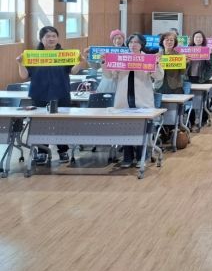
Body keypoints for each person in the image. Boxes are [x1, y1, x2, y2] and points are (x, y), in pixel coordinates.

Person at [16, 26, 88, 164]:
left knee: (62, 123)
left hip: (61, 93)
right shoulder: (32, 55)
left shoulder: (64, 54)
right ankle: (42, 151)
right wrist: (20, 63)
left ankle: (63, 150)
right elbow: (24, 75)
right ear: (41, 39)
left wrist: (80, 62)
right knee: (40, 123)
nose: (51, 39)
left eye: (54, 36)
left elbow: (73, 71)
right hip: (39, 93)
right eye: (47, 36)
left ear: (57, 38)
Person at [103, 33, 164, 167]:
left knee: (141, 128)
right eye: (131, 42)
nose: (133, 45)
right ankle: (127, 157)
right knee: (125, 128)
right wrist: (105, 62)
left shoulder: (147, 58)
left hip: (142, 99)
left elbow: (159, 76)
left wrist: (156, 64)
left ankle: (142, 156)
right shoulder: (121, 58)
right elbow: (109, 75)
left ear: (142, 45)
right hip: (124, 98)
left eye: (136, 42)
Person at [185, 30, 212, 126]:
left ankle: (204, 119)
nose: (198, 39)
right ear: (193, 39)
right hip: (189, 77)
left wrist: (211, 55)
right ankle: (191, 119)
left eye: (200, 37)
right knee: (191, 99)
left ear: (203, 39)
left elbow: (211, 66)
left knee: (203, 99)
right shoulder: (187, 50)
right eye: (196, 37)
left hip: (202, 78)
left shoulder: (207, 50)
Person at [94, 29, 126, 93]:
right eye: (114, 39)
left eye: (119, 38)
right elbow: (96, 66)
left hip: (123, 84)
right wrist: (89, 56)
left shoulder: (129, 52)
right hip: (107, 84)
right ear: (112, 41)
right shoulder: (106, 52)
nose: (117, 41)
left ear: (123, 39)